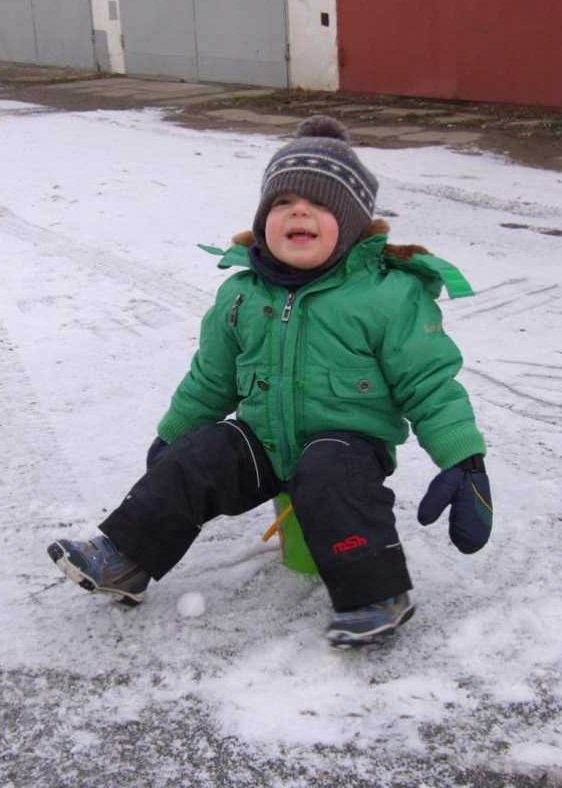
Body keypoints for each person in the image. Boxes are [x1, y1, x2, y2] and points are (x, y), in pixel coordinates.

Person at [48, 116, 493, 649]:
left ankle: (376, 595)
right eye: (282, 203)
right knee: (204, 452)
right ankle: (125, 559)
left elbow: (430, 384)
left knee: (330, 473)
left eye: (320, 204)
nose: (298, 211)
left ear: (350, 226)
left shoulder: (386, 296)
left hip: (347, 441)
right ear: (264, 222)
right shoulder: (241, 294)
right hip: (260, 440)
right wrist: (174, 438)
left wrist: (463, 459)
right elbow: (212, 378)